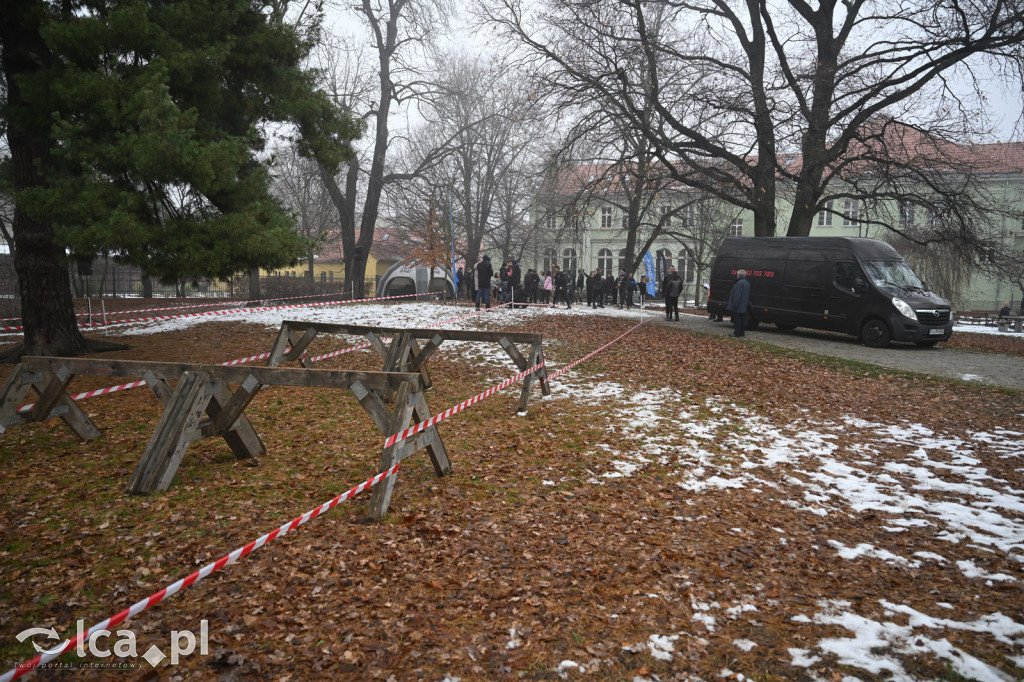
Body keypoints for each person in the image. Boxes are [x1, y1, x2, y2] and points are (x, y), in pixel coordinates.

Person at [727, 269, 751, 337]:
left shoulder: (739, 283)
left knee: (737, 320)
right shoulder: (747, 283)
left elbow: (737, 295)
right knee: (743, 320)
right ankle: (742, 333)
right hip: (744, 305)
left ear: (739, 275)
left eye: (737, 275)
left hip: (738, 305)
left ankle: (736, 333)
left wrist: (735, 304)